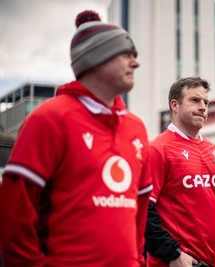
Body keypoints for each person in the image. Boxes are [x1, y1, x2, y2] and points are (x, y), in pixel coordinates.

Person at [0, 10, 152, 266]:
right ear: (95, 58)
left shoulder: (136, 127)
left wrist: (136, 261)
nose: (135, 63)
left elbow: (140, 208)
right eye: (125, 55)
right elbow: (15, 212)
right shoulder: (49, 118)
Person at [145, 77, 215, 267]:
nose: (203, 107)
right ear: (174, 105)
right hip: (174, 262)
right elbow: (143, 209)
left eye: (206, 102)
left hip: (213, 263)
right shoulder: (157, 149)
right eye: (195, 100)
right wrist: (172, 253)